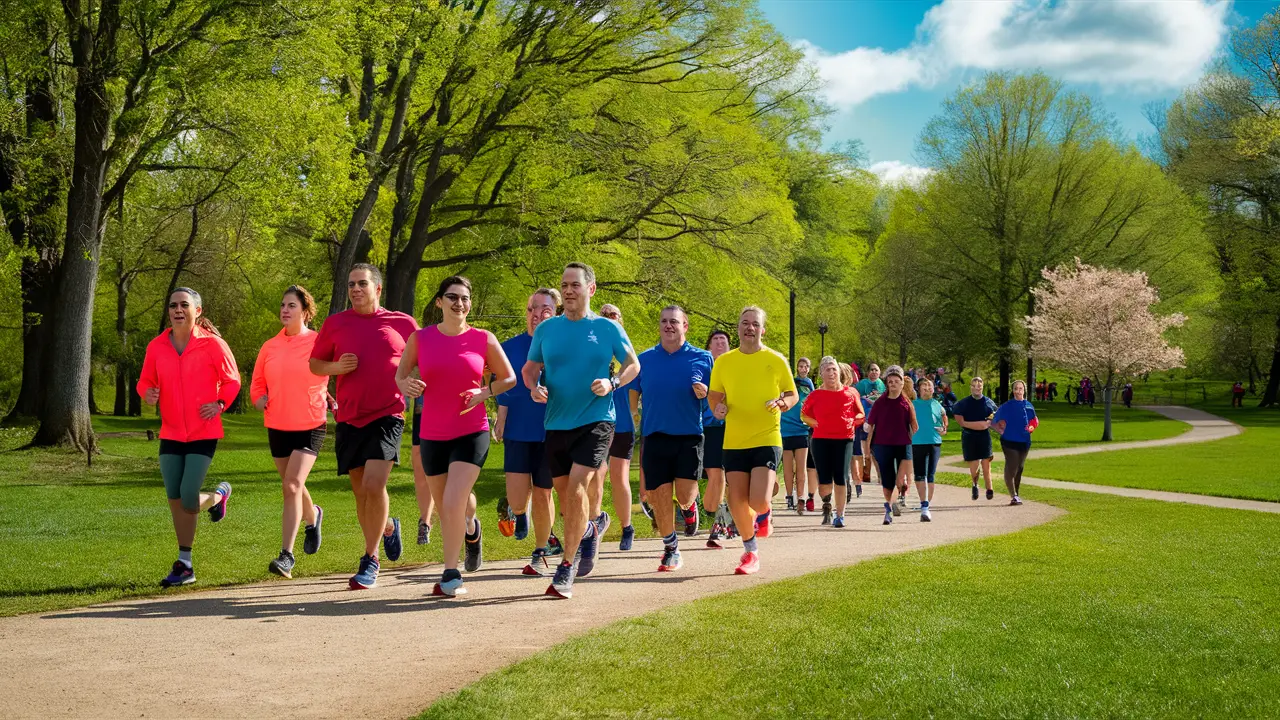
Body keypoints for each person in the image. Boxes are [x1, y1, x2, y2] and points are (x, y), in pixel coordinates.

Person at [523, 262, 640, 599]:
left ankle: (565, 567)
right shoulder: (547, 330)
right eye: (565, 285)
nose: (570, 290)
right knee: (566, 501)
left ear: (590, 289)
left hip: (597, 419)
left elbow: (634, 364)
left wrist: (613, 381)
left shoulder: (606, 328)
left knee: (576, 488)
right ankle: (589, 529)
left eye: (575, 285)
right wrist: (534, 387)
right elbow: (530, 369)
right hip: (556, 422)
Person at [397, 276, 516, 597]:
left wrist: (484, 392)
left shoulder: (483, 338)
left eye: (464, 298)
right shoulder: (420, 339)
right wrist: (406, 386)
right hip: (433, 433)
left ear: (470, 303)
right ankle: (472, 528)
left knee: (451, 501)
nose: (458, 303)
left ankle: (450, 573)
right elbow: (401, 374)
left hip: (471, 430)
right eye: (452, 297)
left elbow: (509, 378)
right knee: (451, 502)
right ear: (439, 302)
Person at [310, 263, 418, 590]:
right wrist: (336, 366)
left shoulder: (402, 323)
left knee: (373, 484)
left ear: (377, 289)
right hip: (349, 417)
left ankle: (370, 558)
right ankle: (386, 528)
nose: (356, 289)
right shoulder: (335, 324)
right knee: (360, 491)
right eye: (351, 285)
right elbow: (315, 364)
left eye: (362, 284)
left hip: (388, 415)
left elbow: (423, 359)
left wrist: (414, 380)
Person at [138, 288, 240, 588]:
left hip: (203, 431)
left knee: (187, 493)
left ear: (198, 310)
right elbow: (144, 381)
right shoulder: (156, 346)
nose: (178, 309)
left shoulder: (213, 345)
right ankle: (185, 563)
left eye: (184, 305)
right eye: (173, 305)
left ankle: (218, 496)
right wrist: (148, 393)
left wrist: (220, 404)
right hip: (170, 430)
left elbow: (232, 381)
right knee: (175, 497)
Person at [707, 306, 797, 575]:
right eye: (744, 323)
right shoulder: (724, 362)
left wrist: (782, 401)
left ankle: (766, 504)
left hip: (767, 435)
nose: (749, 328)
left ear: (762, 330)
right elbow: (714, 396)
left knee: (756, 501)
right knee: (736, 501)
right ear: (738, 329)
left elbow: (792, 394)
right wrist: (717, 409)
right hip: (734, 440)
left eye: (755, 324)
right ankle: (750, 552)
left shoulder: (776, 359)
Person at [250, 285, 331, 579]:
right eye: (283, 305)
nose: (284, 310)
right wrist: (258, 399)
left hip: (310, 423)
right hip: (277, 424)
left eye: (291, 306)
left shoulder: (319, 342)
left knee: (292, 485)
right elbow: (257, 382)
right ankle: (313, 516)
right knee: (291, 484)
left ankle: (287, 555)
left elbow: (334, 369)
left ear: (305, 311)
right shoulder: (269, 346)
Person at [634, 306, 714, 571]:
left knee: (685, 493)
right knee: (659, 495)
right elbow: (633, 396)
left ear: (685, 326)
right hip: (655, 435)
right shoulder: (643, 359)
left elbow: (717, 397)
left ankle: (689, 508)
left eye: (674, 322)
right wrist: (632, 417)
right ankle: (670, 547)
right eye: (664, 321)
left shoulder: (702, 358)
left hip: (689, 435)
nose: (668, 326)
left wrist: (706, 394)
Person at [496, 289, 564, 575]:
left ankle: (540, 551)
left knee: (543, 492)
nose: (537, 314)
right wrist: (500, 419)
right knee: (516, 497)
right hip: (518, 429)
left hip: (552, 430)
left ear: (556, 312)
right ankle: (517, 512)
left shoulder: (563, 346)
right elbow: (503, 386)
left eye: (545, 309)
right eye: (532, 309)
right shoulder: (509, 347)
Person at [592, 304, 639, 549]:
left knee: (619, 478)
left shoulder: (628, 356)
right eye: (605, 316)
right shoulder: (593, 350)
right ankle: (596, 521)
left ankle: (627, 527)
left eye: (614, 316)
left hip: (621, 425)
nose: (610, 319)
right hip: (596, 423)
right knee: (596, 476)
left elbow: (639, 391)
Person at [800, 356, 863, 528]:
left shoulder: (851, 393)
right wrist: (815, 423)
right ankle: (827, 503)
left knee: (841, 477)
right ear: (821, 374)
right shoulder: (815, 395)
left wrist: (853, 421)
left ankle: (840, 515)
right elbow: (804, 414)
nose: (831, 372)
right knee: (825, 481)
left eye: (834, 369)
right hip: (821, 439)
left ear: (839, 372)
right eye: (827, 369)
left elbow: (860, 414)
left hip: (844, 439)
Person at [863, 365, 918, 526]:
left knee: (900, 479)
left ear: (902, 384)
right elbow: (871, 423)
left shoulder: (906, 403)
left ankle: (899, 495)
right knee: (888, 480)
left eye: (896, 381)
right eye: (890, 381)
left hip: (903, 445)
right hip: (883, 445)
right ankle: (889, 508)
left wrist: (906, 436)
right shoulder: (880, 403)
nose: (893, 384)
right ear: (886, 384)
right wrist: (868, 446)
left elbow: (915, 426)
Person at [701, 329, 736, 549]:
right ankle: (716, 519)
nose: (720, 342)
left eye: (724, 340)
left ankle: (725, 521)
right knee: (716, 474)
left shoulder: (736, 367)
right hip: (709, 428)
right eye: (716, 340)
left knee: (731, 477)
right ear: (709, 347)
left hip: (735, 428)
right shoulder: (702, 367)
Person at [952, 377, 999, 502]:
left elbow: (987, 423)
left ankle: (989, 488)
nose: (976, 388)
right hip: (969, 436)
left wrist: (980, 424)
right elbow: (960, 421)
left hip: (984, 436)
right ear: (970, 387)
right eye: (974, 386)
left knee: (986, 464)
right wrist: (972, 424)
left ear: (982, 387)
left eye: (979, 386)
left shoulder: (989, 403)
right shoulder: (964, 403)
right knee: (974, 465)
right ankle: (975, 484)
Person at [993, 380, 1039, 506]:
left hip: (1024, 441)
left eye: (1020, 388)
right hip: (1009, 441)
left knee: (1020, 468)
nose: (1018, 391)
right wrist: (1000, 429)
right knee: (1012, 466)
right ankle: (1013, 495)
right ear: (1012, 391)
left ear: (1024, 391)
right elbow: (994, 420)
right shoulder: (1007, 406)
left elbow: (1035, 420)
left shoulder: (1028, 405)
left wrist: (1032, 427)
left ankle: (1016, 494)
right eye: (1016, 388)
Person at [910, 377, 947, 522]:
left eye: (930, 387)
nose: (927, 389)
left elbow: (944, 418)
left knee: (930, 474)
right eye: (924, 387)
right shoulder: (913, 404)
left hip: (934, 442)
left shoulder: (937, 404)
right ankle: (923, 503)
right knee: (919, 474)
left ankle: (927, 505)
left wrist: (944, 429)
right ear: (919, 389)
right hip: (917, 442)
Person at [781, 357, 814, 514]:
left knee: (801, 467)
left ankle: (801, 496)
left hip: (801, 429)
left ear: (808, 368)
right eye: (800, 366)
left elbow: (812, 403)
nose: (803, 369)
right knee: (788, 467)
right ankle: (789, 496)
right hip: (786, 428)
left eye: (805, 366)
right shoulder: (788, 383)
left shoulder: (809, 384)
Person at [854, 364, 886, 489]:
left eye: (876, 370)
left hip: (878, 421)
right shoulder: (862, 384)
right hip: (864, 419)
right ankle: (864, 474)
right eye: (871, 370)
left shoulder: (882, 385)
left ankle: (880, 476)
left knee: (875, 449)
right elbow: (856, 397)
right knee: (864, 448)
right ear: (868, 372)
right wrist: (865, 399)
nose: (873, 372)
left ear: (879, 372)